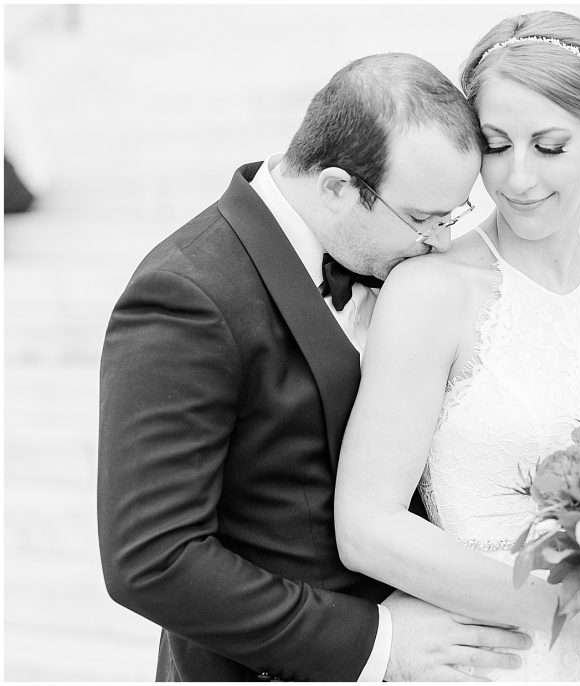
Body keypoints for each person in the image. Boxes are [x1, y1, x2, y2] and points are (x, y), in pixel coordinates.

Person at [97, 53, 532, 682]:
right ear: (336, 187)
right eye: (421, 219)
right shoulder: (187, 294)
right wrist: (377, 642)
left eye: (451, 216)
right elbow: (152, 559)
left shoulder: (402, 272)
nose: (437, 241)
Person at [335, 11, 580, 681]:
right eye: (496, 145)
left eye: (550, 145)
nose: (517, 178)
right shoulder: (429, 293)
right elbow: (366, 526)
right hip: (494, 661)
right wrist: (571, 615)